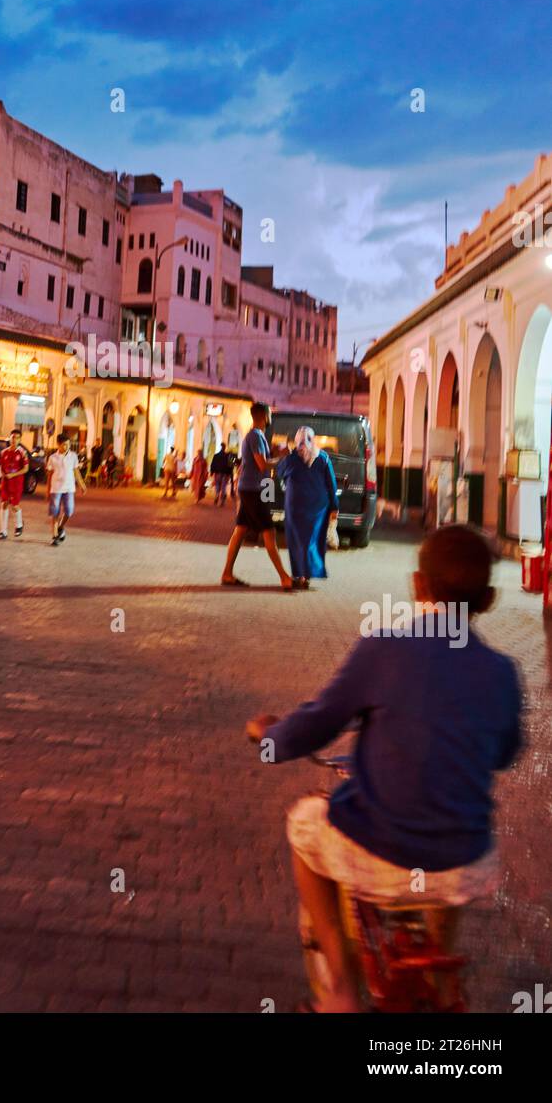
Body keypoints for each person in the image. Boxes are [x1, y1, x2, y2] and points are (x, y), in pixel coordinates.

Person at [246, 525, 523, 1013]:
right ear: (490, 599)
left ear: (418, 585)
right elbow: (505, 753)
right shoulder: (502, 671)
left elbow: (315, 725)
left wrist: (269, 737)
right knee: (449, 853)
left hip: (385, 855)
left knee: (304, 827)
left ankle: (339, 992)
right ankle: (438, 985)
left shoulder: (385, 647)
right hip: (467, 864)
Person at [221, 402, 292, 590]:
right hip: (254, 490)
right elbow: (262, 464)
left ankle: (227, 573)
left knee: (240, 530)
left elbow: (261, 459)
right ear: (263, 416)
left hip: (250, 488)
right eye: (269, 414)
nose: (271, 417)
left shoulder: (256, 436)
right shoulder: (256, 436)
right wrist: (283, 457)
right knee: (269, 531)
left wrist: (275, 452)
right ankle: (285, 577)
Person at [276, 426, 339, 589]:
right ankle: (307, 574)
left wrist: (283, 456)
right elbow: (331, 484)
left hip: (295, 507)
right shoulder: (323, 457)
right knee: (311, 541)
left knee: (297, 541)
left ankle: (300, 575)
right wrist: (334, 506)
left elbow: (279, 473)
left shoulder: (291, 459)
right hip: (318, 508)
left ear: (297, 440)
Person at [47, 432, 87, 545]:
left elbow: (76, 472)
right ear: (58, 444)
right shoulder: (52, 458)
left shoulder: (73, 456)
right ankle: (54, 536)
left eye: (68, 444)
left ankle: (61, 527)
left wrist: (82, 485)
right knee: (55, 512)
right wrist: (47, 490)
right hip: (56, 488)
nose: (67, 447)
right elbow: (49, 475)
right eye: (64, 444)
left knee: (69, 511)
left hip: (69, 488)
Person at [0, 428, 29, 540]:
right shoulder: (4, 452)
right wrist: (2, 475)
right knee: (4, 504)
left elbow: (26, 469)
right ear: (9, 438)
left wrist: (14, 474)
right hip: (6, 482)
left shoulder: (22, 453)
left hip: (16, 483)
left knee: (14, 505)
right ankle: (3, 531)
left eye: (17, 438)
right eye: (12, 437)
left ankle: (19, 525)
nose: (14, 440)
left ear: (20, 439)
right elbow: (1, 466)